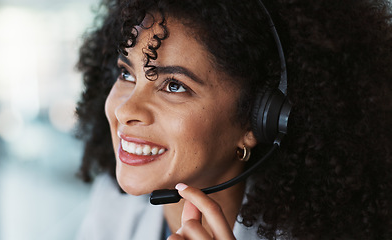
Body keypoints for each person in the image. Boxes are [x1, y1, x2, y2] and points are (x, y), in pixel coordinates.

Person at [74, 0, 392, 239]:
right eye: (126, 74)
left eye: (174, 86)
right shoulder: (112, 202)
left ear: (258, 119)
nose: (125, 110)